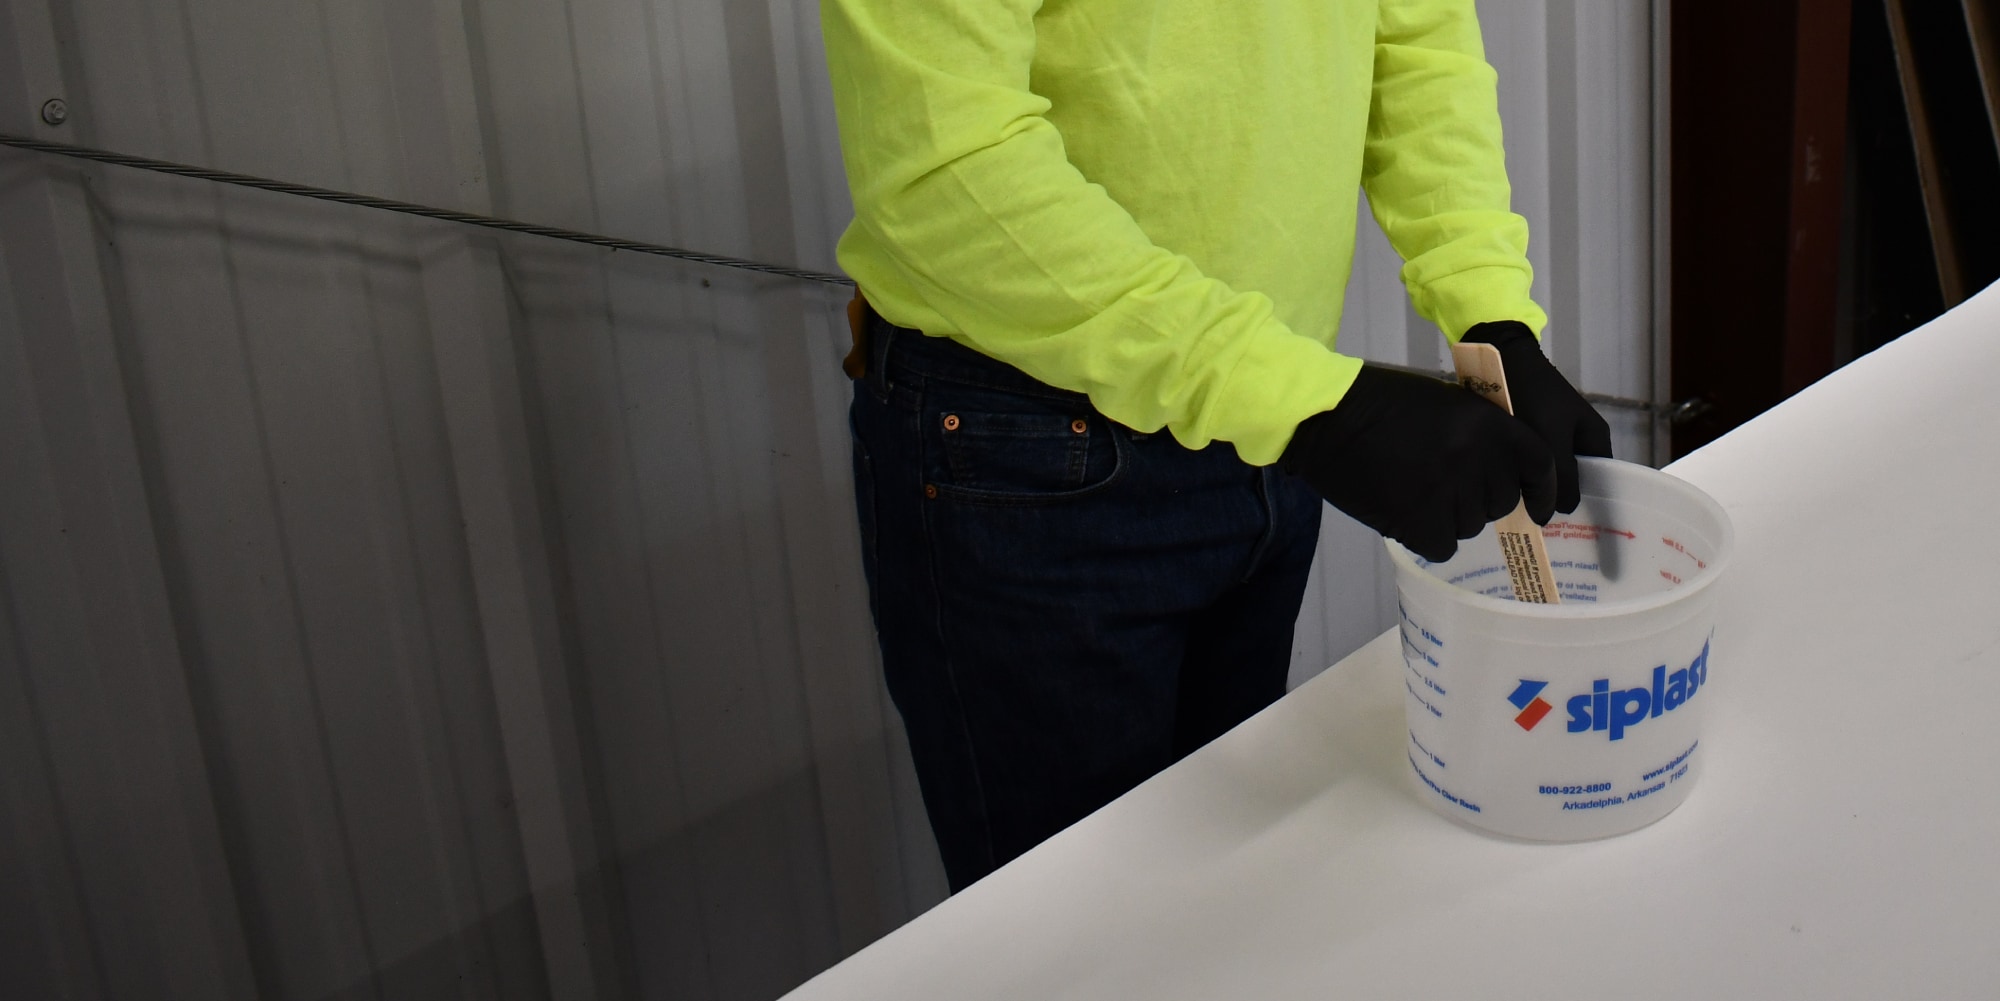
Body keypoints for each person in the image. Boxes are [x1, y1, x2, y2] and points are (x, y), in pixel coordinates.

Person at [821, 0, 1613, 892]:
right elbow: (947, 168)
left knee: (1225, 899)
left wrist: (1488, 306)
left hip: (1267, 425)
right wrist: (1304, 405)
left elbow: (1414, 34)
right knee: (1081, 941)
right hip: (1033, 456)